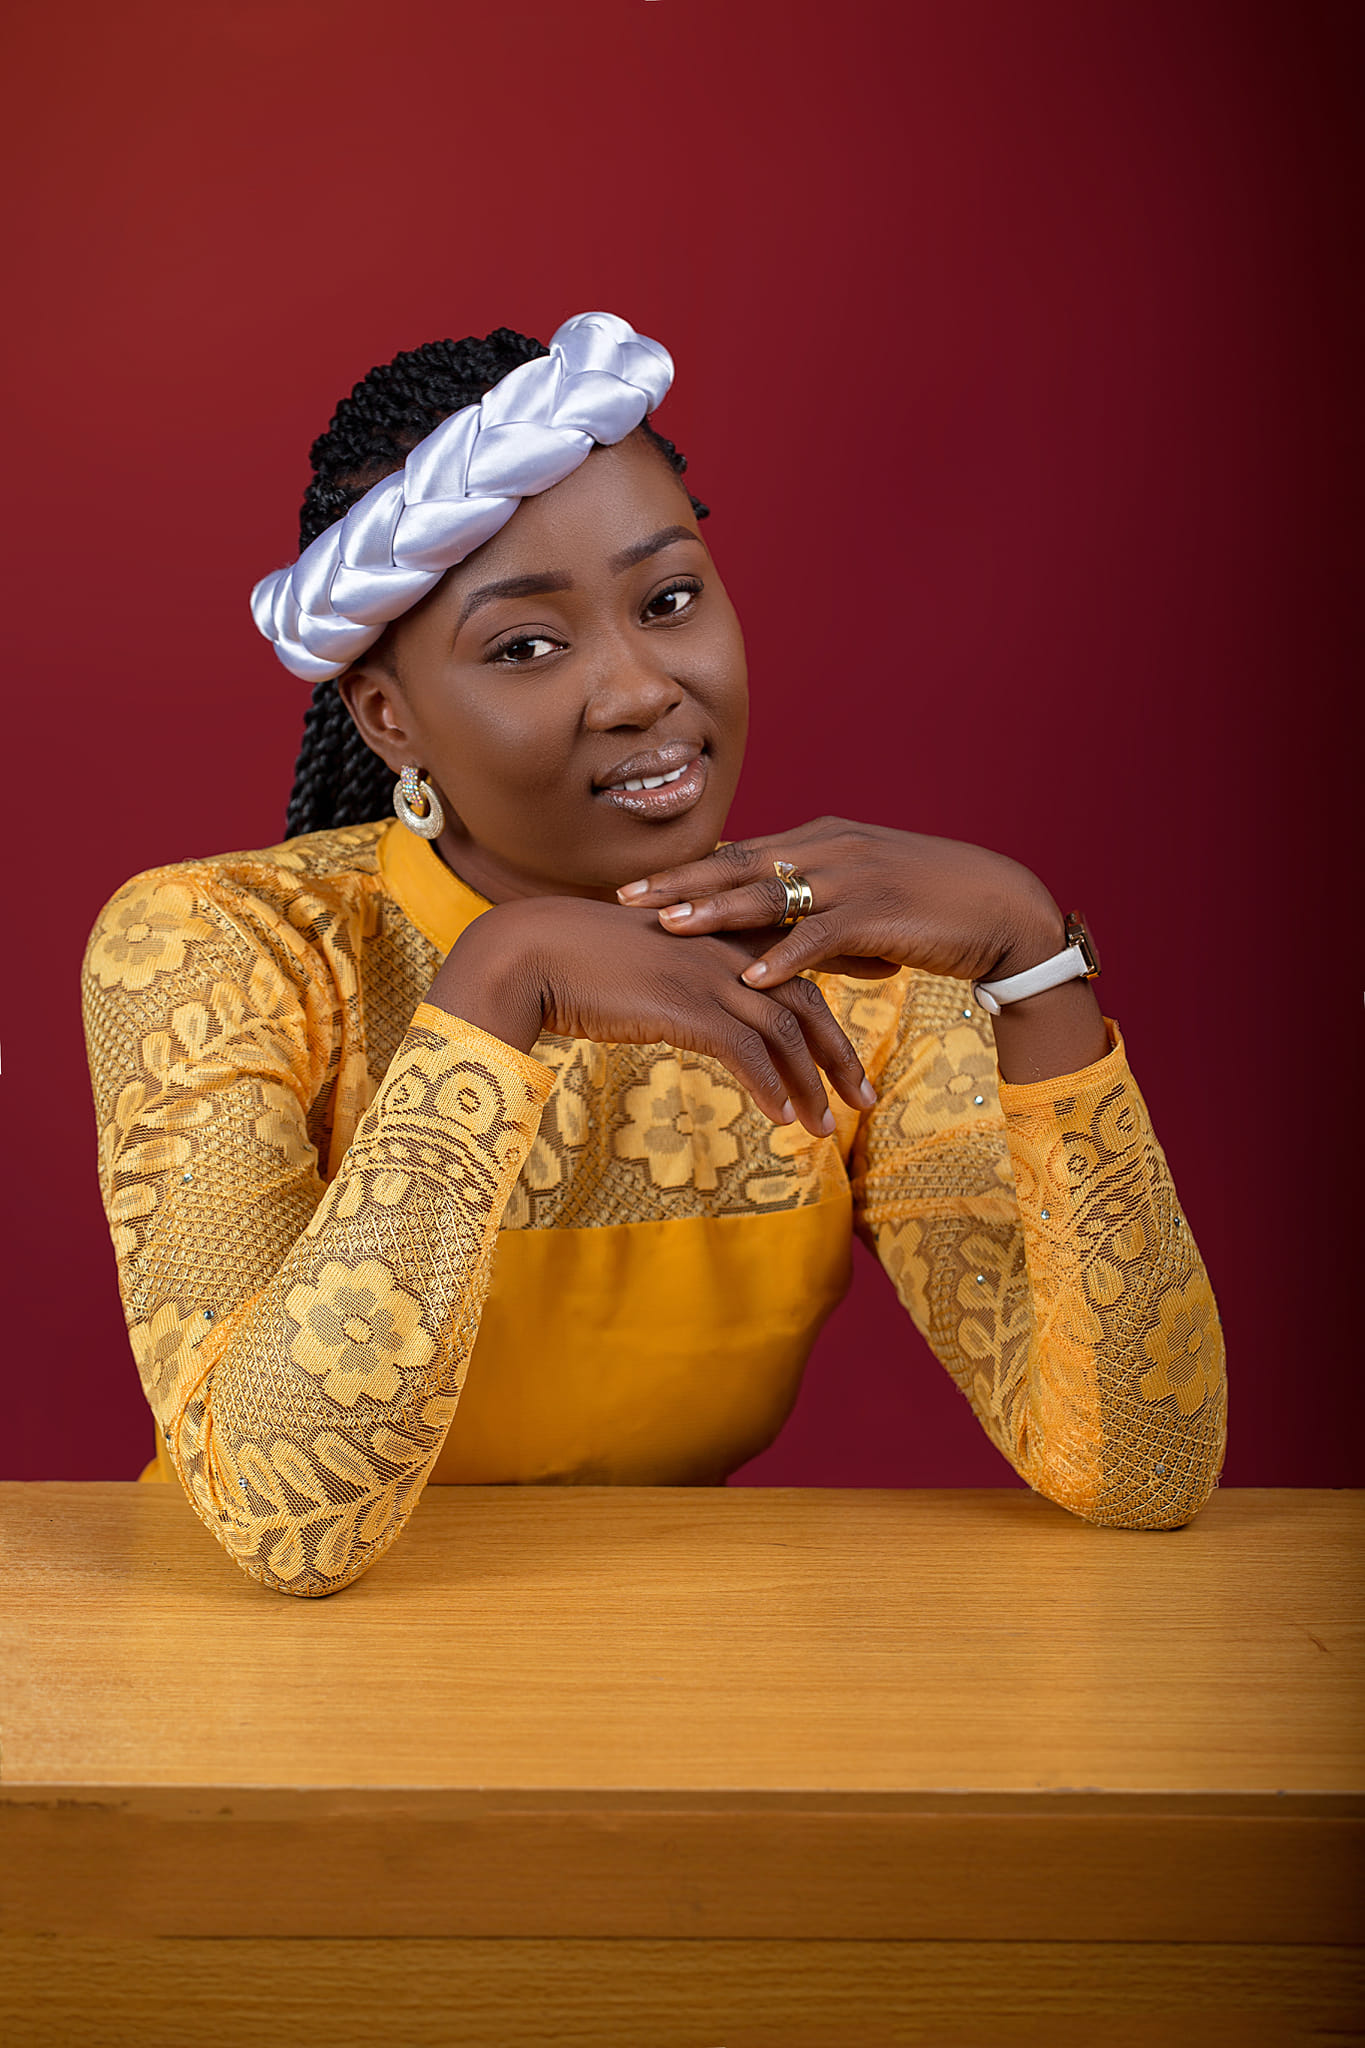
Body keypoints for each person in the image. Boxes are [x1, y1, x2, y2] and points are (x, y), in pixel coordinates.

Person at [82, 312, 1226, 1598]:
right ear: (389, 716)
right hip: (254, 1668)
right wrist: (501, 982)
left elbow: (1142, 1466)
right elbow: (292, 1526)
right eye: (526, 645)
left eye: (669, 600)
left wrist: (1033, 962)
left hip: (659, 1654)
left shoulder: (852, 976)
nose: (639, 689)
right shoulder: (223, 946)